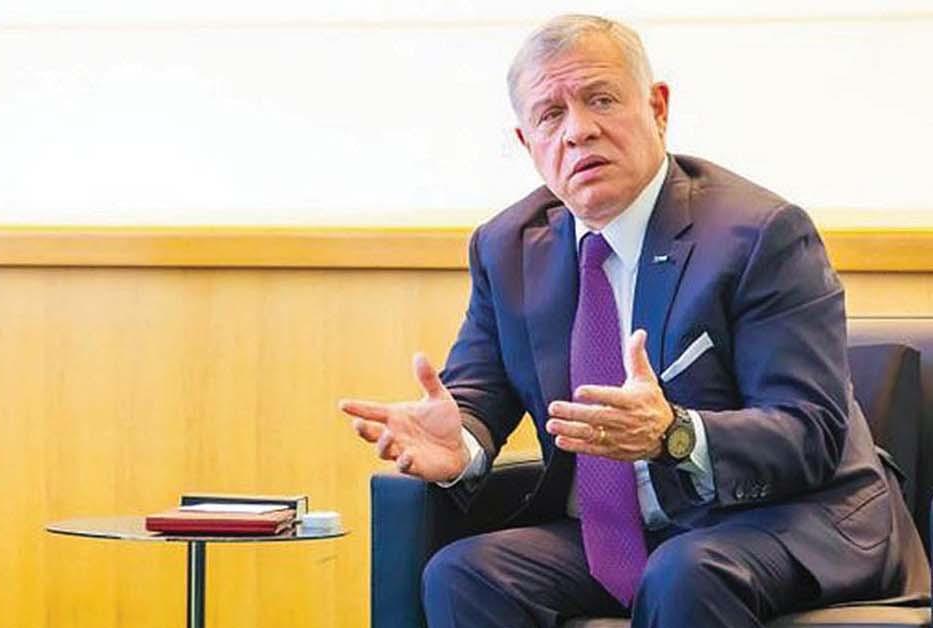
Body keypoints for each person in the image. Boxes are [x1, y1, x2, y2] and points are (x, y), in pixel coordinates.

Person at [340, 14, 928, 627]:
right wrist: (460, 443)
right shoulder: (507, 246)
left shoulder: (759, 235)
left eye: (601, 100)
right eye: (550, 115)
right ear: (527, 142)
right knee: (464, 574)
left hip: (787, 516)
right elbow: (478, 393)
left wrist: (675, 433)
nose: (578, 131)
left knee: (685, 572)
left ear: (657, 108)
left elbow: (809, 430)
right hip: (628, 533)